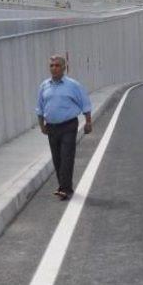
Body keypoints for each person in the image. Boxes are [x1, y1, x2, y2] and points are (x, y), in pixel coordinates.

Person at [36, 55, 92, 201]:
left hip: (68, 125)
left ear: (64, 68)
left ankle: (65, 189)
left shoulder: (73, 85)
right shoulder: (44, 86)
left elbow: (85, 103)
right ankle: (64, 185)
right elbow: (40, 107)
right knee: (57, 158)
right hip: (51, 127)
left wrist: (88, 122)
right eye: (51, 66)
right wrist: (41, 125)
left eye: (57, 65)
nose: (54, 68)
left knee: (67, 156)